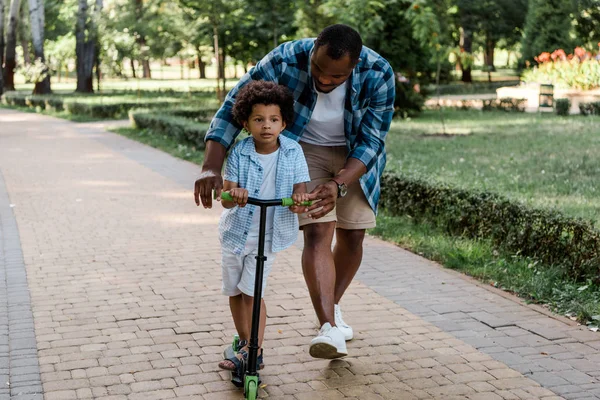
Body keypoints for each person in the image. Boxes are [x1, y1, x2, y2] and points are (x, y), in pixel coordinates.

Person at [195, 24, 395, 360]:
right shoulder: (286, 59)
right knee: (317, 232)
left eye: (337, 77)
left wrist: (339, 183)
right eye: (318, 69)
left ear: (355, 64)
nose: (325, 80)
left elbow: (372, 140)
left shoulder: (378, 73)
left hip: (355, 158)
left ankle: (332, 302)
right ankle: (329, 327)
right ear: (315, 47)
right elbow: (235, 106)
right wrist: (211, 166)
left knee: (353, 237)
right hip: (303, 151)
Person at [214, 80, 311, 378]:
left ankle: (254, 350)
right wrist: (235, 194)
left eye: (273, 120)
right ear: (246, 122)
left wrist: (299, 201)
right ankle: (244, 342)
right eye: (258, 119)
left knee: (252, 292)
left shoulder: (293, 152)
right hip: (236, 233)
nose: (266, 126)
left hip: (268, 235)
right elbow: (225, 198)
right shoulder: (240, 152)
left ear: (284, 123)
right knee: (234, 290)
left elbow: (301, 196)